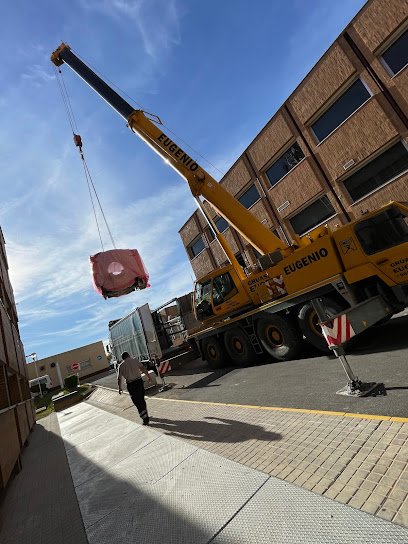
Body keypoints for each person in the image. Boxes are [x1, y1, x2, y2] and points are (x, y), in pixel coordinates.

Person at [118, 352, 152, 425]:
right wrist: (148, 376)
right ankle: (145, 414)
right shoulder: (135, 360)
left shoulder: (121, 366)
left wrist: (120, 388)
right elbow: (143, 368)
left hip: (131, 385)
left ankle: (145, 418)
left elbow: (119, 378)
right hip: (139, 382)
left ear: (123, 358)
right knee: (141, 399)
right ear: (128, 355)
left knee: (136, 401)